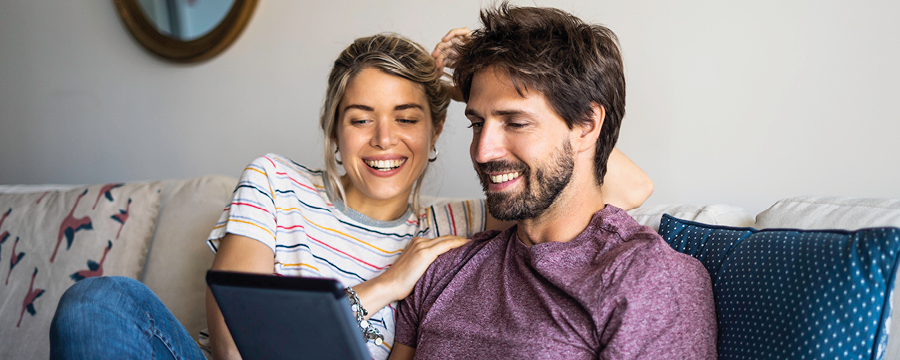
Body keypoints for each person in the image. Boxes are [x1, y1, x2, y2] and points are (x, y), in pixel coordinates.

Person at [50, 33, 653, 360]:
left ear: (438, 129)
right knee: (100, 301)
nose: (385, 140)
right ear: (335, 129)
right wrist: (381, 288)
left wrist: (476, 79)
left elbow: (622, 185)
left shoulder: (461, 222)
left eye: (408, 117)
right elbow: (234, 341)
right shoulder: (276, 183)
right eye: (361, 118)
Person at [390, 4, 717, 360]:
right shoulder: (444, 270)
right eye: (478, 123)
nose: (482, 152)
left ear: (586, 125)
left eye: (515, 123)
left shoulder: (650, 280)